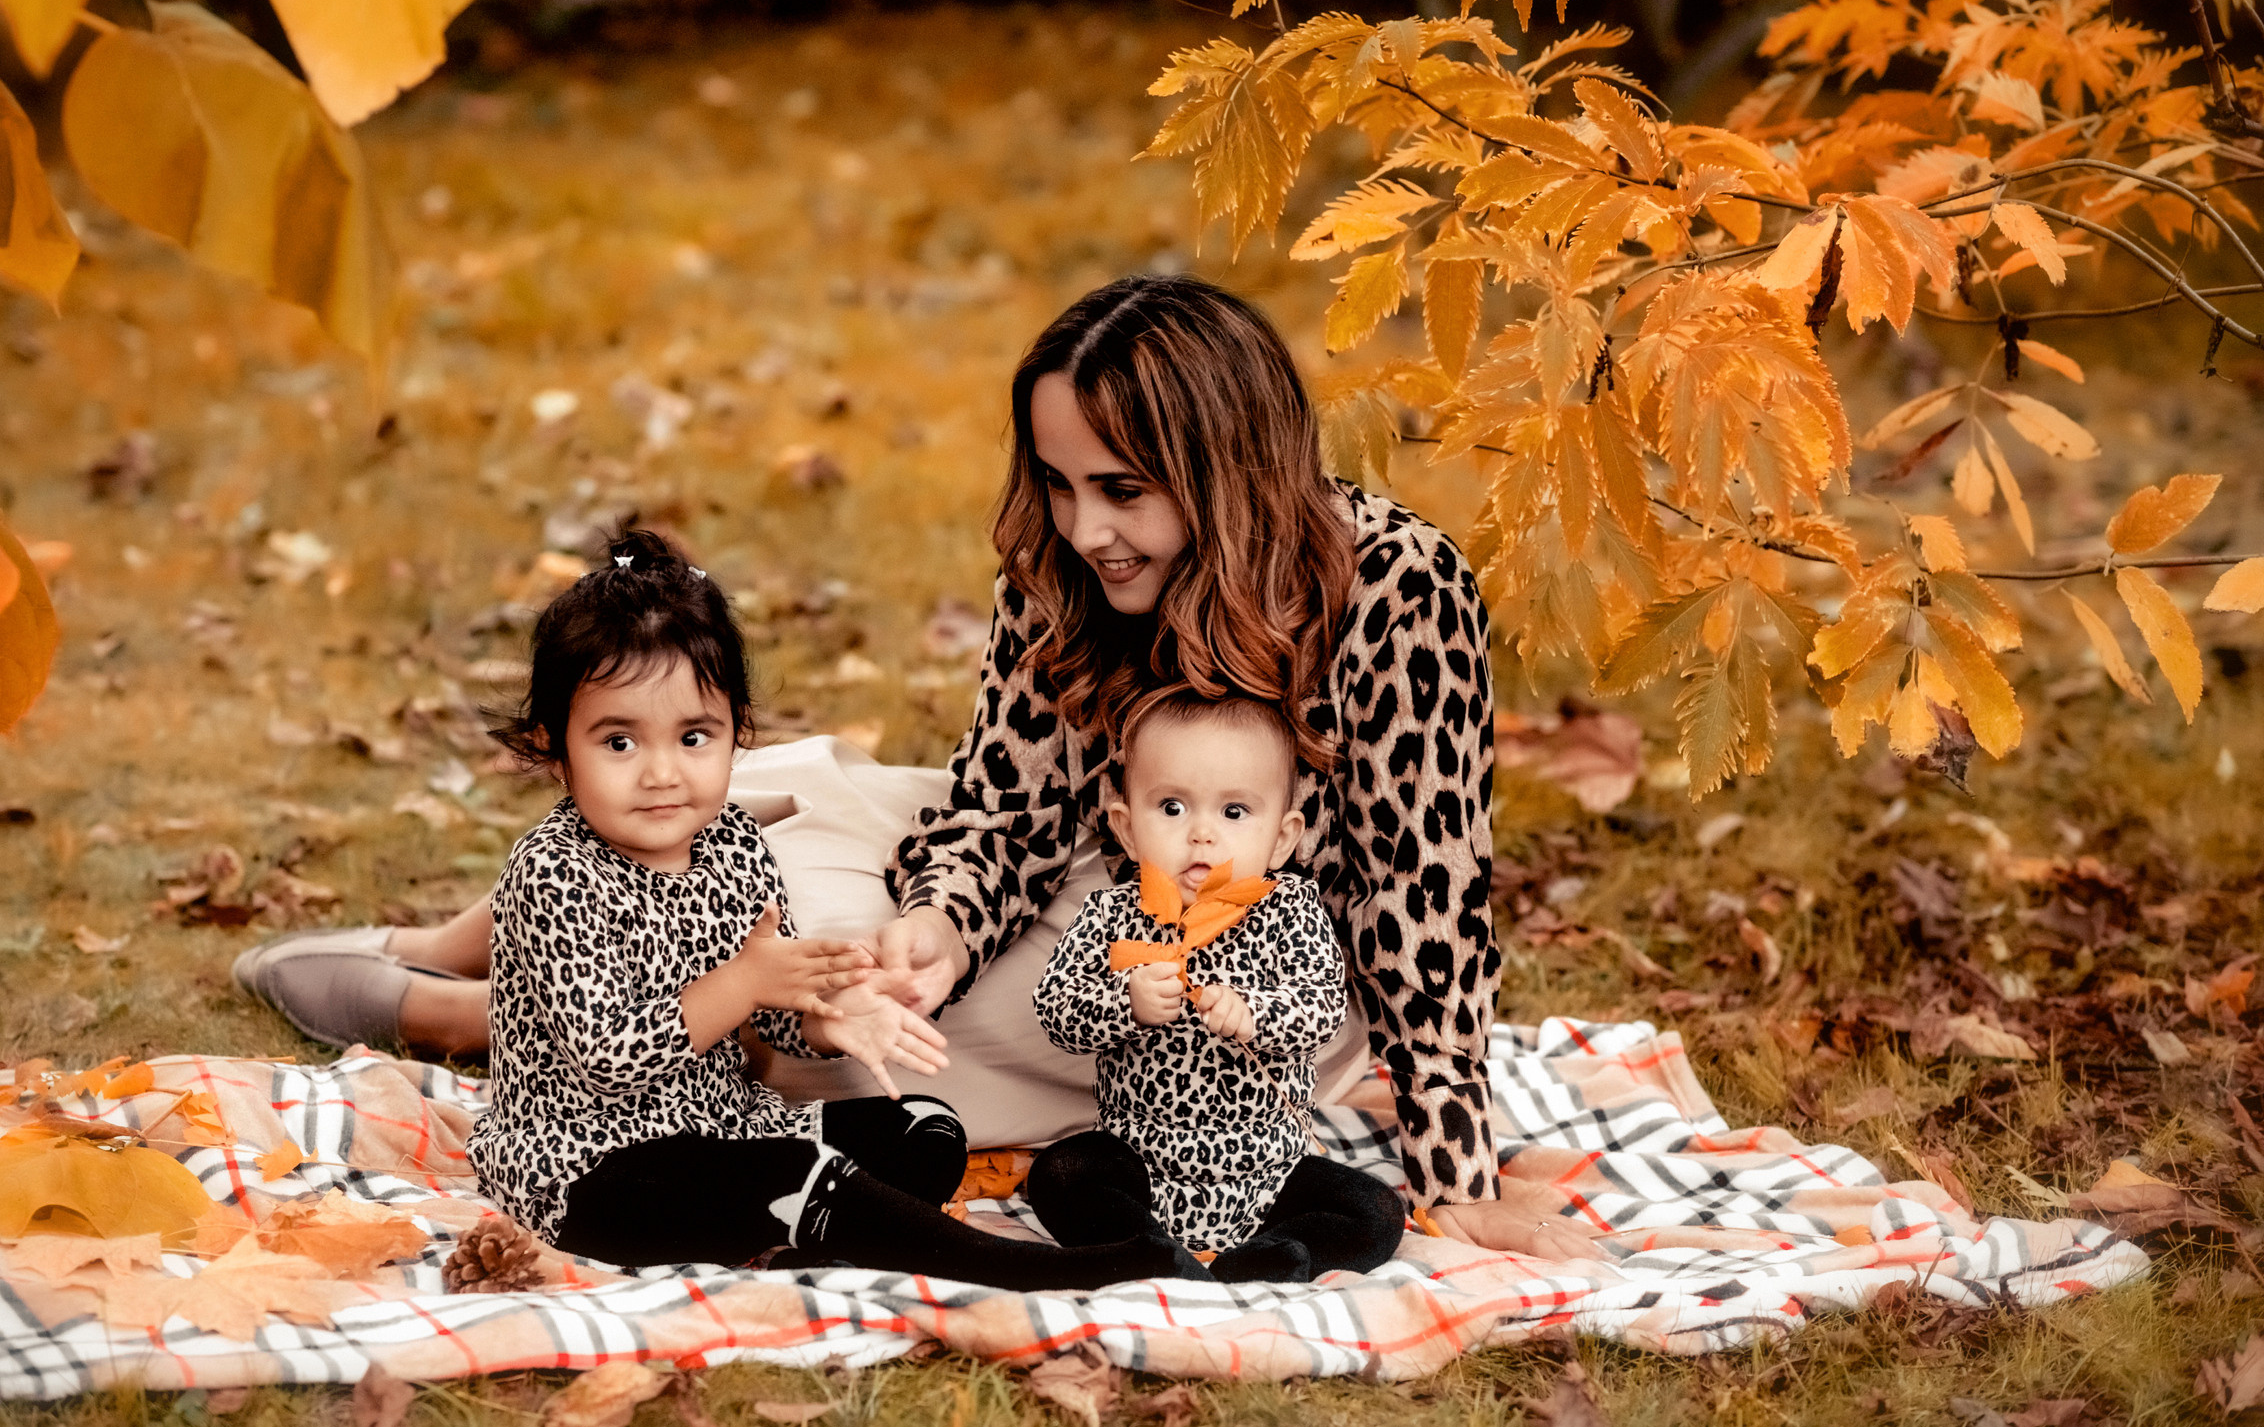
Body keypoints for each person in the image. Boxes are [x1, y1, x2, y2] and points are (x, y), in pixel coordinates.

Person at [235, 275, 1599, 1259]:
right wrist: (943, 918)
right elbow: (998, 803)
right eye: (1061, 483)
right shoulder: (1068, 565)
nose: (1085, 527)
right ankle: (471, 935)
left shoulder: (1398, 587)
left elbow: (1429, 902)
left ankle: (469, 1015)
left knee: (838, 999)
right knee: (794, 826)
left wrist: (1454, 1170)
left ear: (1226, 465)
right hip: (1061, 867)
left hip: (1218, 955)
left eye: (1121, 488)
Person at [457, 527, 1198, 1288]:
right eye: (619, 742)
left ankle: (808, 1227)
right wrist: (743, 982)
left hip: (719, 1124)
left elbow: (776, 1012)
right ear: (554, 746)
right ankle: (1018, 1267)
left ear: (736, 731)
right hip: (592, 1168)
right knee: (790, 1170)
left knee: (924, 1129)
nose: (662, 772)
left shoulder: (734, 845)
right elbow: (610, 1059)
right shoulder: (553, 874)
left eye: (693, 735)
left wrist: (827, 1016)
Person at [1029, 692, 1404, 1283]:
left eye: (1234, 812)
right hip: (1141, 1163)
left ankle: (1281, 1255)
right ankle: (1145, 1248)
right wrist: (1124, 1003)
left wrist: (1255, 1013)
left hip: (1270, 1171)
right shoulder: (1110, 915)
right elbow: (1056, 1010)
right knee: (1059, 1173)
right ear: (1127, 829)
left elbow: (1323, 1007)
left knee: (1376, 1210)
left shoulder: (1291, 912)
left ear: (1282, 840)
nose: (1202, 835)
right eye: (1172, 807)